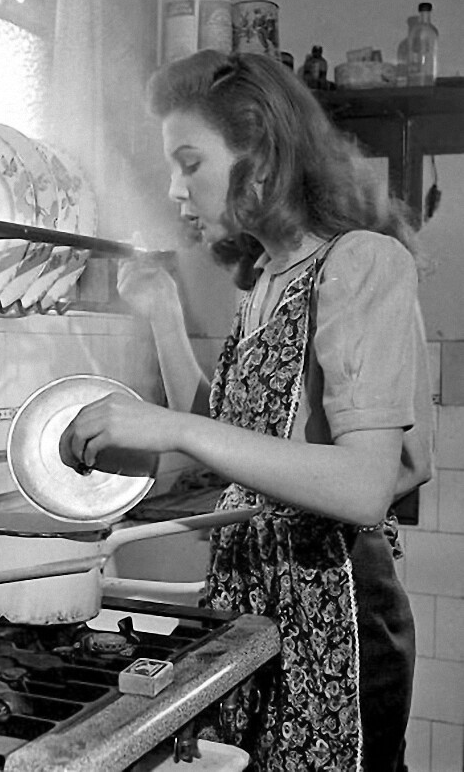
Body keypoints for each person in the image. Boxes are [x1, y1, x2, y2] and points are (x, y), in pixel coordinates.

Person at [60, 49, 434, 772]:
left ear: (258, 159)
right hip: (255, 607)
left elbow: (365, 485)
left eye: (190, 162)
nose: (174, 188)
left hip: (332, 615)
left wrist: (175, 429)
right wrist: (164, 314)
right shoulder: (264, 281)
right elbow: (229, 429)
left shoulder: (360, 263)